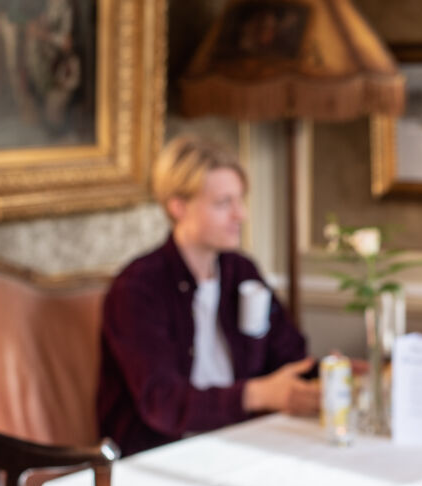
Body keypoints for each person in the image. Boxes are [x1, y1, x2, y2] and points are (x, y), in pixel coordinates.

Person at [97, 135, 317, 456]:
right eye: (223, 203)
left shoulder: (240, 271)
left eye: (240, 200)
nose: (240, 215)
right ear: (178, 206)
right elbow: (162, 402)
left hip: (243, 441)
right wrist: (256, 395)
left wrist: (336, 372)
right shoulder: (137, 289)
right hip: (161, 455)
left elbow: (290, 356)